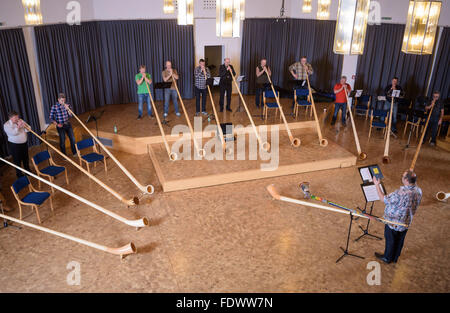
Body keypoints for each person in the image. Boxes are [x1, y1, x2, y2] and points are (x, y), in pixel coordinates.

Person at [373, 170, 422, 264]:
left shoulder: (401, 193)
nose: (401, 178)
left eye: (403, 176)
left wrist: (377, 185)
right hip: (406, 221)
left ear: (406, 180)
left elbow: (383, 199)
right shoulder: (419, 190)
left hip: (394, 222)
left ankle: (387, 258)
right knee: (400, 240)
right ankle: (395, 258)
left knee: (390, 240)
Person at [3, 111, 30, 178]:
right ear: (10, 118)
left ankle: (28, 171)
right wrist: (18, 126)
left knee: (25, 158)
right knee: (17, 160)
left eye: (18, 117)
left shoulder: (20, 120)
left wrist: (25, 126)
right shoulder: (6, 125)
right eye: (15, 118)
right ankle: (19, 174)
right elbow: (13, 133)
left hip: (24, 143)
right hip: (15, 145)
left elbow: (29, 129)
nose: (17, 119)